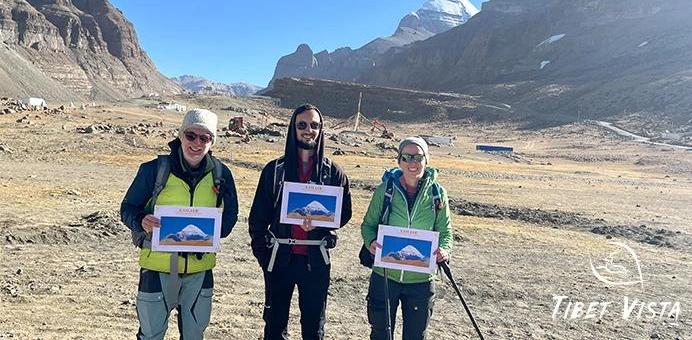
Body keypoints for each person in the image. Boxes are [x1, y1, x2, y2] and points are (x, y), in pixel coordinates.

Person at [120, 109, 238, 340]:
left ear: (212, 141)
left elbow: (229, 219)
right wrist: (140, 221)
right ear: (181, 135)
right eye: (191, 135)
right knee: (151, 335)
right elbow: (127, 209)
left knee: (194, 335)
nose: (196, 143)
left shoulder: (222, 174)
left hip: (199, 271)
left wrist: (211, 231)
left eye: (204, 138)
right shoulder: (154, 170)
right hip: (157, 268)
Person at [249, 103, 352, 340]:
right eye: (302, 125)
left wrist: (322, 224)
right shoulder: (274, 171)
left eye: (314, 125)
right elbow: (257, 219)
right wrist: (264, 257)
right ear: (293, 129)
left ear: (321, 129)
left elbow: (344, 213)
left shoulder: (333, 173)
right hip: (280, 260)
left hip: (315, 263)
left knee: (314, 328)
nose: (309, 130)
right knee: (274, 327)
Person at [361, 136, 453, 340]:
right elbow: (368, 225)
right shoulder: (385, 191)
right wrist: (371, 243)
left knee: (416, 336)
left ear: (426, 160)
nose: (413, 163)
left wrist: (445, 250)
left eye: (418, 157)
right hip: (385, 276)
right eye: (407, 157)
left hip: (421, 280)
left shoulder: (438, 194)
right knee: (381, 335)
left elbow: (445, 231)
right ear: (399, 160)